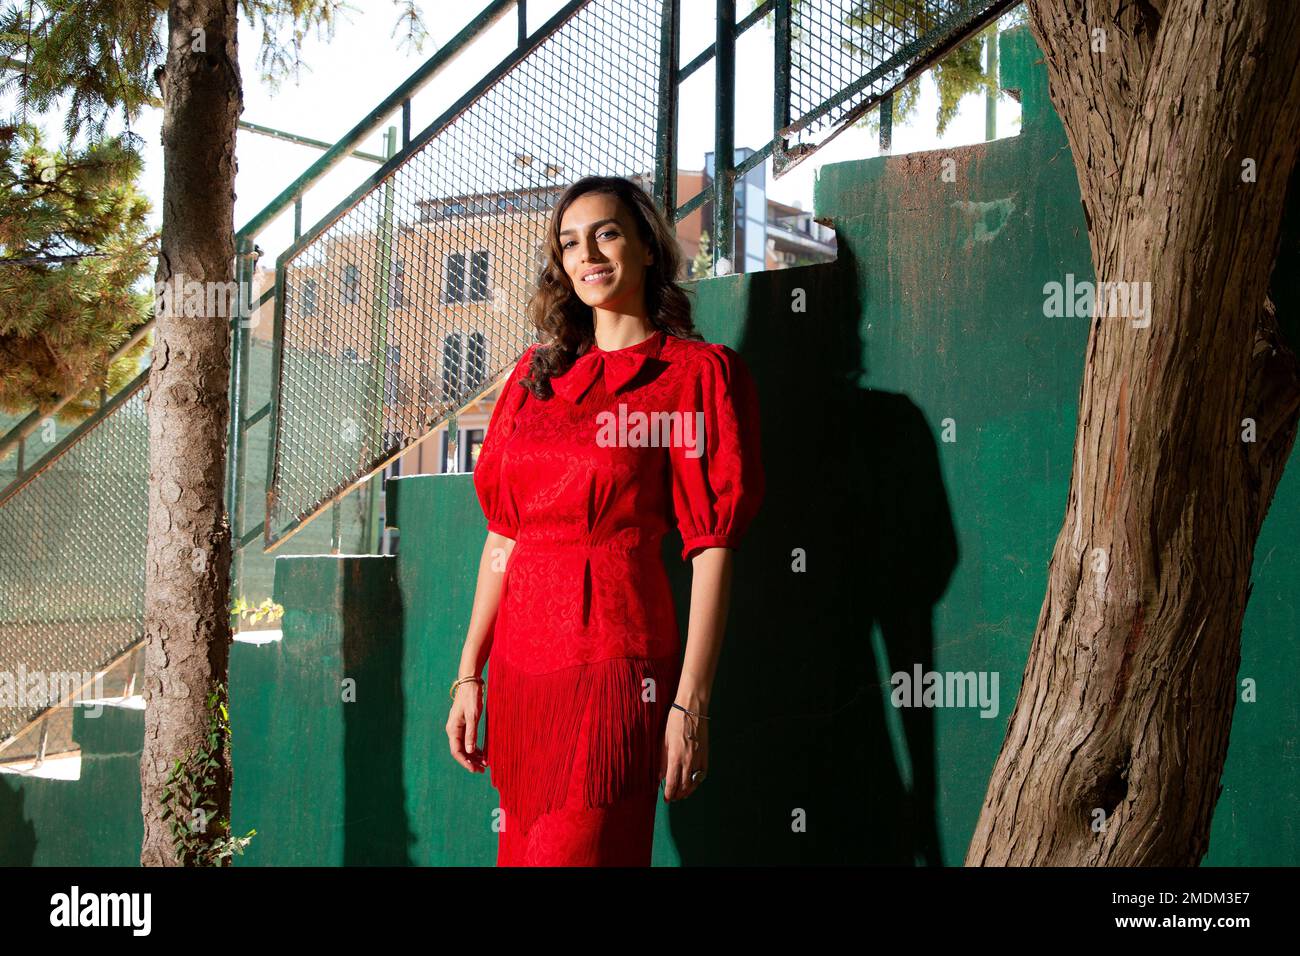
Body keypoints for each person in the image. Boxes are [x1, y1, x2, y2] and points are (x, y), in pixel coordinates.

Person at [446, 174, 765, 866]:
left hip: (614, 667)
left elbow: (712, 545)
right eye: (569, 242)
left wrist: (690, 706)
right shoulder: (532, 376)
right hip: (521, 673)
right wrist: (469, 673)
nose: (586, 254)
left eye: (607, 233)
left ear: (648, 247)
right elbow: (504, 533)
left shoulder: (695, 375)